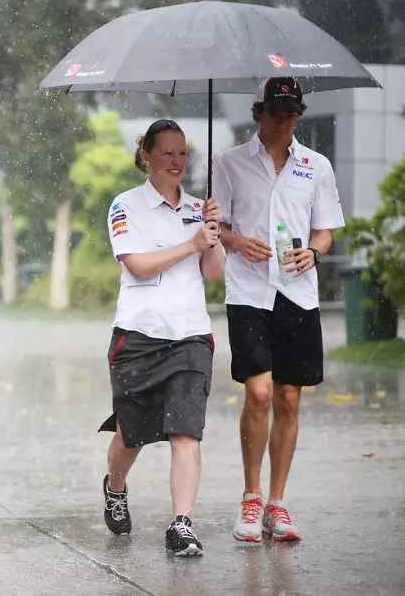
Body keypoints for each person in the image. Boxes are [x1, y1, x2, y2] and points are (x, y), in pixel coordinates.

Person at [211, 77, 345, 543]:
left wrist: (314, 252)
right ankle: (250, 498)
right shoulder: (228, 163)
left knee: (289, 397)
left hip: (297, 293)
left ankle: (277, 504)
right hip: (248, 292)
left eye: (292, 115)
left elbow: (326, 230)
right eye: (276, 114)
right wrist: (235, 241)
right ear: (259, 112)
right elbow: (218, 227)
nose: (284, 123)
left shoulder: (316, 166)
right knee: (260, 393)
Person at [99, 118, 226, 557]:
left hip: (190, 335)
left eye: (182, 153)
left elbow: (213, 274)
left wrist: (212, 237)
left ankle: (181, 524)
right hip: (138, 337)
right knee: (132, 435)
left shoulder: (198, 209)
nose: (176, 162)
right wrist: (192, 244)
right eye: (167, 152)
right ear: (147, 157)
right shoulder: (125, 206)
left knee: (186, 433)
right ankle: (115, 487)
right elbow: (137, 264)